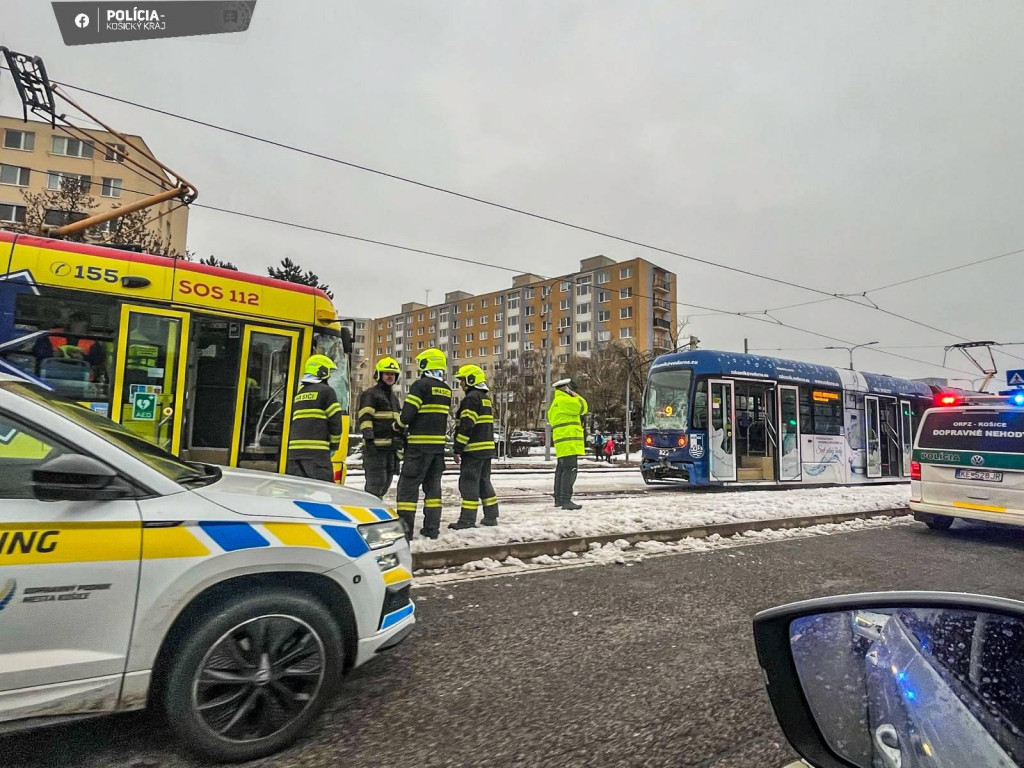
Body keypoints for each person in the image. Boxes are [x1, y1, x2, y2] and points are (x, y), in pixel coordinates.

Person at [394, 348, 452, 539]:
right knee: (433, 489)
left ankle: (405, 531)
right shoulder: (446, 390)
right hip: (437, 449)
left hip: (418, 448)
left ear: (425, 364)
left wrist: (398, 425)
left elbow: (409, 413)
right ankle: (431, 529)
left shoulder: (421, 386)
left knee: (408, 489)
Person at [449, 364, 499, 530]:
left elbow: (466, 425)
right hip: (486, 450)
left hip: (473, 450)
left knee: (468, 483)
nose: (461, 384)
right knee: (484, 482)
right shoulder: (485, 398)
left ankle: (467, 520)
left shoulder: (471, 399)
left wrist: (458, 448)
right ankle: (491, 516)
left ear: (471, 380)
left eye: (463, 380)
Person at [285, 354, 343, 483]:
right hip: (316, 454)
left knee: (298, 491)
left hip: (294, 455)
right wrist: (334, 445)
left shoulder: (299, 394)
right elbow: (335, 422)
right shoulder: (326, 391)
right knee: (323, 491)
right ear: (322, 371)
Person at [357, 356, 403, 498]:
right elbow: (365, 418)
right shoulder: (370, 394)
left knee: (385, 484)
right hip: (375, 449)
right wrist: (369, 440)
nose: (390, 376)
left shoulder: (394, 399)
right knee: (375, 485)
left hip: (390, 450)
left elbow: (398, 424)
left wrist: (400, 443)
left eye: (393, 374)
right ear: (379, 374)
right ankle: (368, 514)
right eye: (387, 373)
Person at [547, 378, 588, 510]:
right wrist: (576, 396)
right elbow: (583, 407)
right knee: (570, 470)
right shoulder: (567, 401)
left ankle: (558, 499)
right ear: (567, 389)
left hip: (562, 442)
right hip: (570, 441)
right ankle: (566, 500)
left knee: (561, 470)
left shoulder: (554, 404)